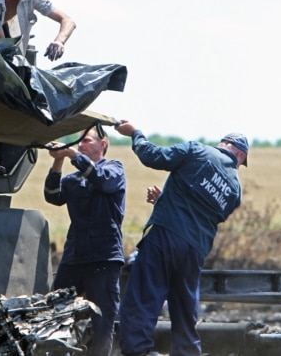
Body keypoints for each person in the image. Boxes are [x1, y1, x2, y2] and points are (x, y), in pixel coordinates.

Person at [113, 122, 248, 356]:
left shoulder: (197, 150)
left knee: (143, 299)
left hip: (165, 235)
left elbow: (153, 157)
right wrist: (165, 200)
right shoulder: (235, 191)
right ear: (239, 154)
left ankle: (139, 352)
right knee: (185, 311)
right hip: (194, 251)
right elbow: (205, 213)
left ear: (225, 144)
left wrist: (136, 134)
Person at [43, 126, 126, 356]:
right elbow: (52, 196)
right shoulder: (73, 179)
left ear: (103, 144)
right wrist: (58, 162)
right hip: (74, 256)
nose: (80, 145)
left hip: (104, 256)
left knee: (102, 321)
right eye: (78, 142)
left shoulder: (114, 169)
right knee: (54, 313)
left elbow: (103, 181)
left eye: (86, 141)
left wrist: (71, 155)